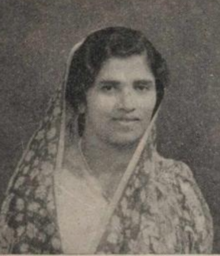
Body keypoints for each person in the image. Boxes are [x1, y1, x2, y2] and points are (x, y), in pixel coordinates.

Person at [0, 27, 213, 254]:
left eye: (141, 87)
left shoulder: (177, 186)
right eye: (109, 88)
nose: (127, 103)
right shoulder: (41, 192)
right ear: (81, 99)